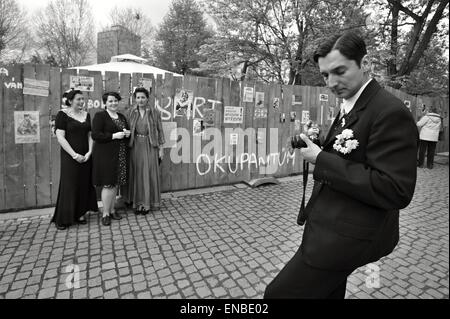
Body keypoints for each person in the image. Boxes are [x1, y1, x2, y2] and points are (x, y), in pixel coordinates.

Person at [264, 31, 418, 299]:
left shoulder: (390, 111)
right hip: (326, 226)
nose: (331, 83)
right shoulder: (351, 103)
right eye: (325, 75)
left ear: (365, 63)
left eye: (339, 71)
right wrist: (319, 144)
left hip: (345, 238)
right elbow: (355, 155)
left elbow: (395, 189)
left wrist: (320, 159)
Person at [52, 90, 98, 230]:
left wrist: (90, 152)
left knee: (83, 183)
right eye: (78, 99)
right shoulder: (62, 114)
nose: (81, 102)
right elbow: (60, 137)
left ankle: (80, 214)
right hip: (70, 156)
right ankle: (63, 218)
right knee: (69, 185)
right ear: (70, 100)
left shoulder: (86, 115)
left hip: (85, 155)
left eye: (82, 99)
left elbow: (90, 134)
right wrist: (74, 155)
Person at [92, 92, 131, 226]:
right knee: (108, 183)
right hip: (106, 155)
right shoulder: (100, 116)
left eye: (115, 101)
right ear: (105, 103)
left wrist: (127, 133)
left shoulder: (121, 116)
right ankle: (105, 213)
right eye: (110, 101)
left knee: (116, 183)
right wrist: (113, 136)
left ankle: (112, 209)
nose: (113, 103)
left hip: (120, 154)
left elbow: (127, 131)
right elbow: (96, 135)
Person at [127, 88, 165, 215]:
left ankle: (148, 204)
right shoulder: (131, 112)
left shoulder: (154, 112)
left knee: (148, 173)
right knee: (137, 174)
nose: (140, 100)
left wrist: (161, 149)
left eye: (143, 97)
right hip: (135, 146)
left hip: (150, 145)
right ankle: (138, 203)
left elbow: (160, 131)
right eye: (138, 97)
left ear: (147, 98)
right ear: (135, 99)